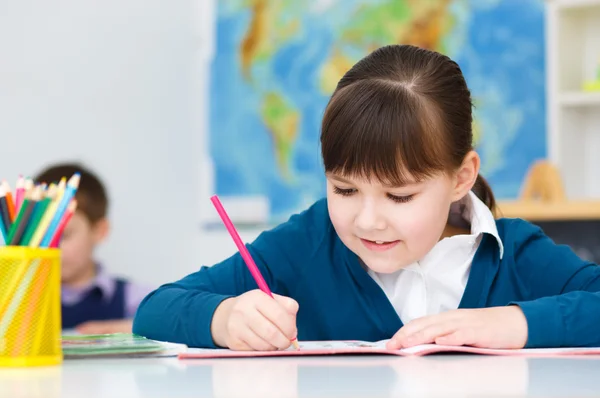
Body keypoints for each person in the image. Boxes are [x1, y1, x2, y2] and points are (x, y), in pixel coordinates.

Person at [132, 44, 600, 350]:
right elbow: (155, 310)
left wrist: (510, 325)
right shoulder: (308, 243)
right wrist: (224, 316)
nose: (368, 221)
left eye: (399, 196)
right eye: (344, 189)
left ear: (461, 177)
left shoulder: (512, 254)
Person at [35, 163, 154, 334]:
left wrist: (127, 328)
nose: (50, 248)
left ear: (99, 231)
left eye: (64, 236)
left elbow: (174, 324)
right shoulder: (22, 298)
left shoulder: (133, 297)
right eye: (41, 236)